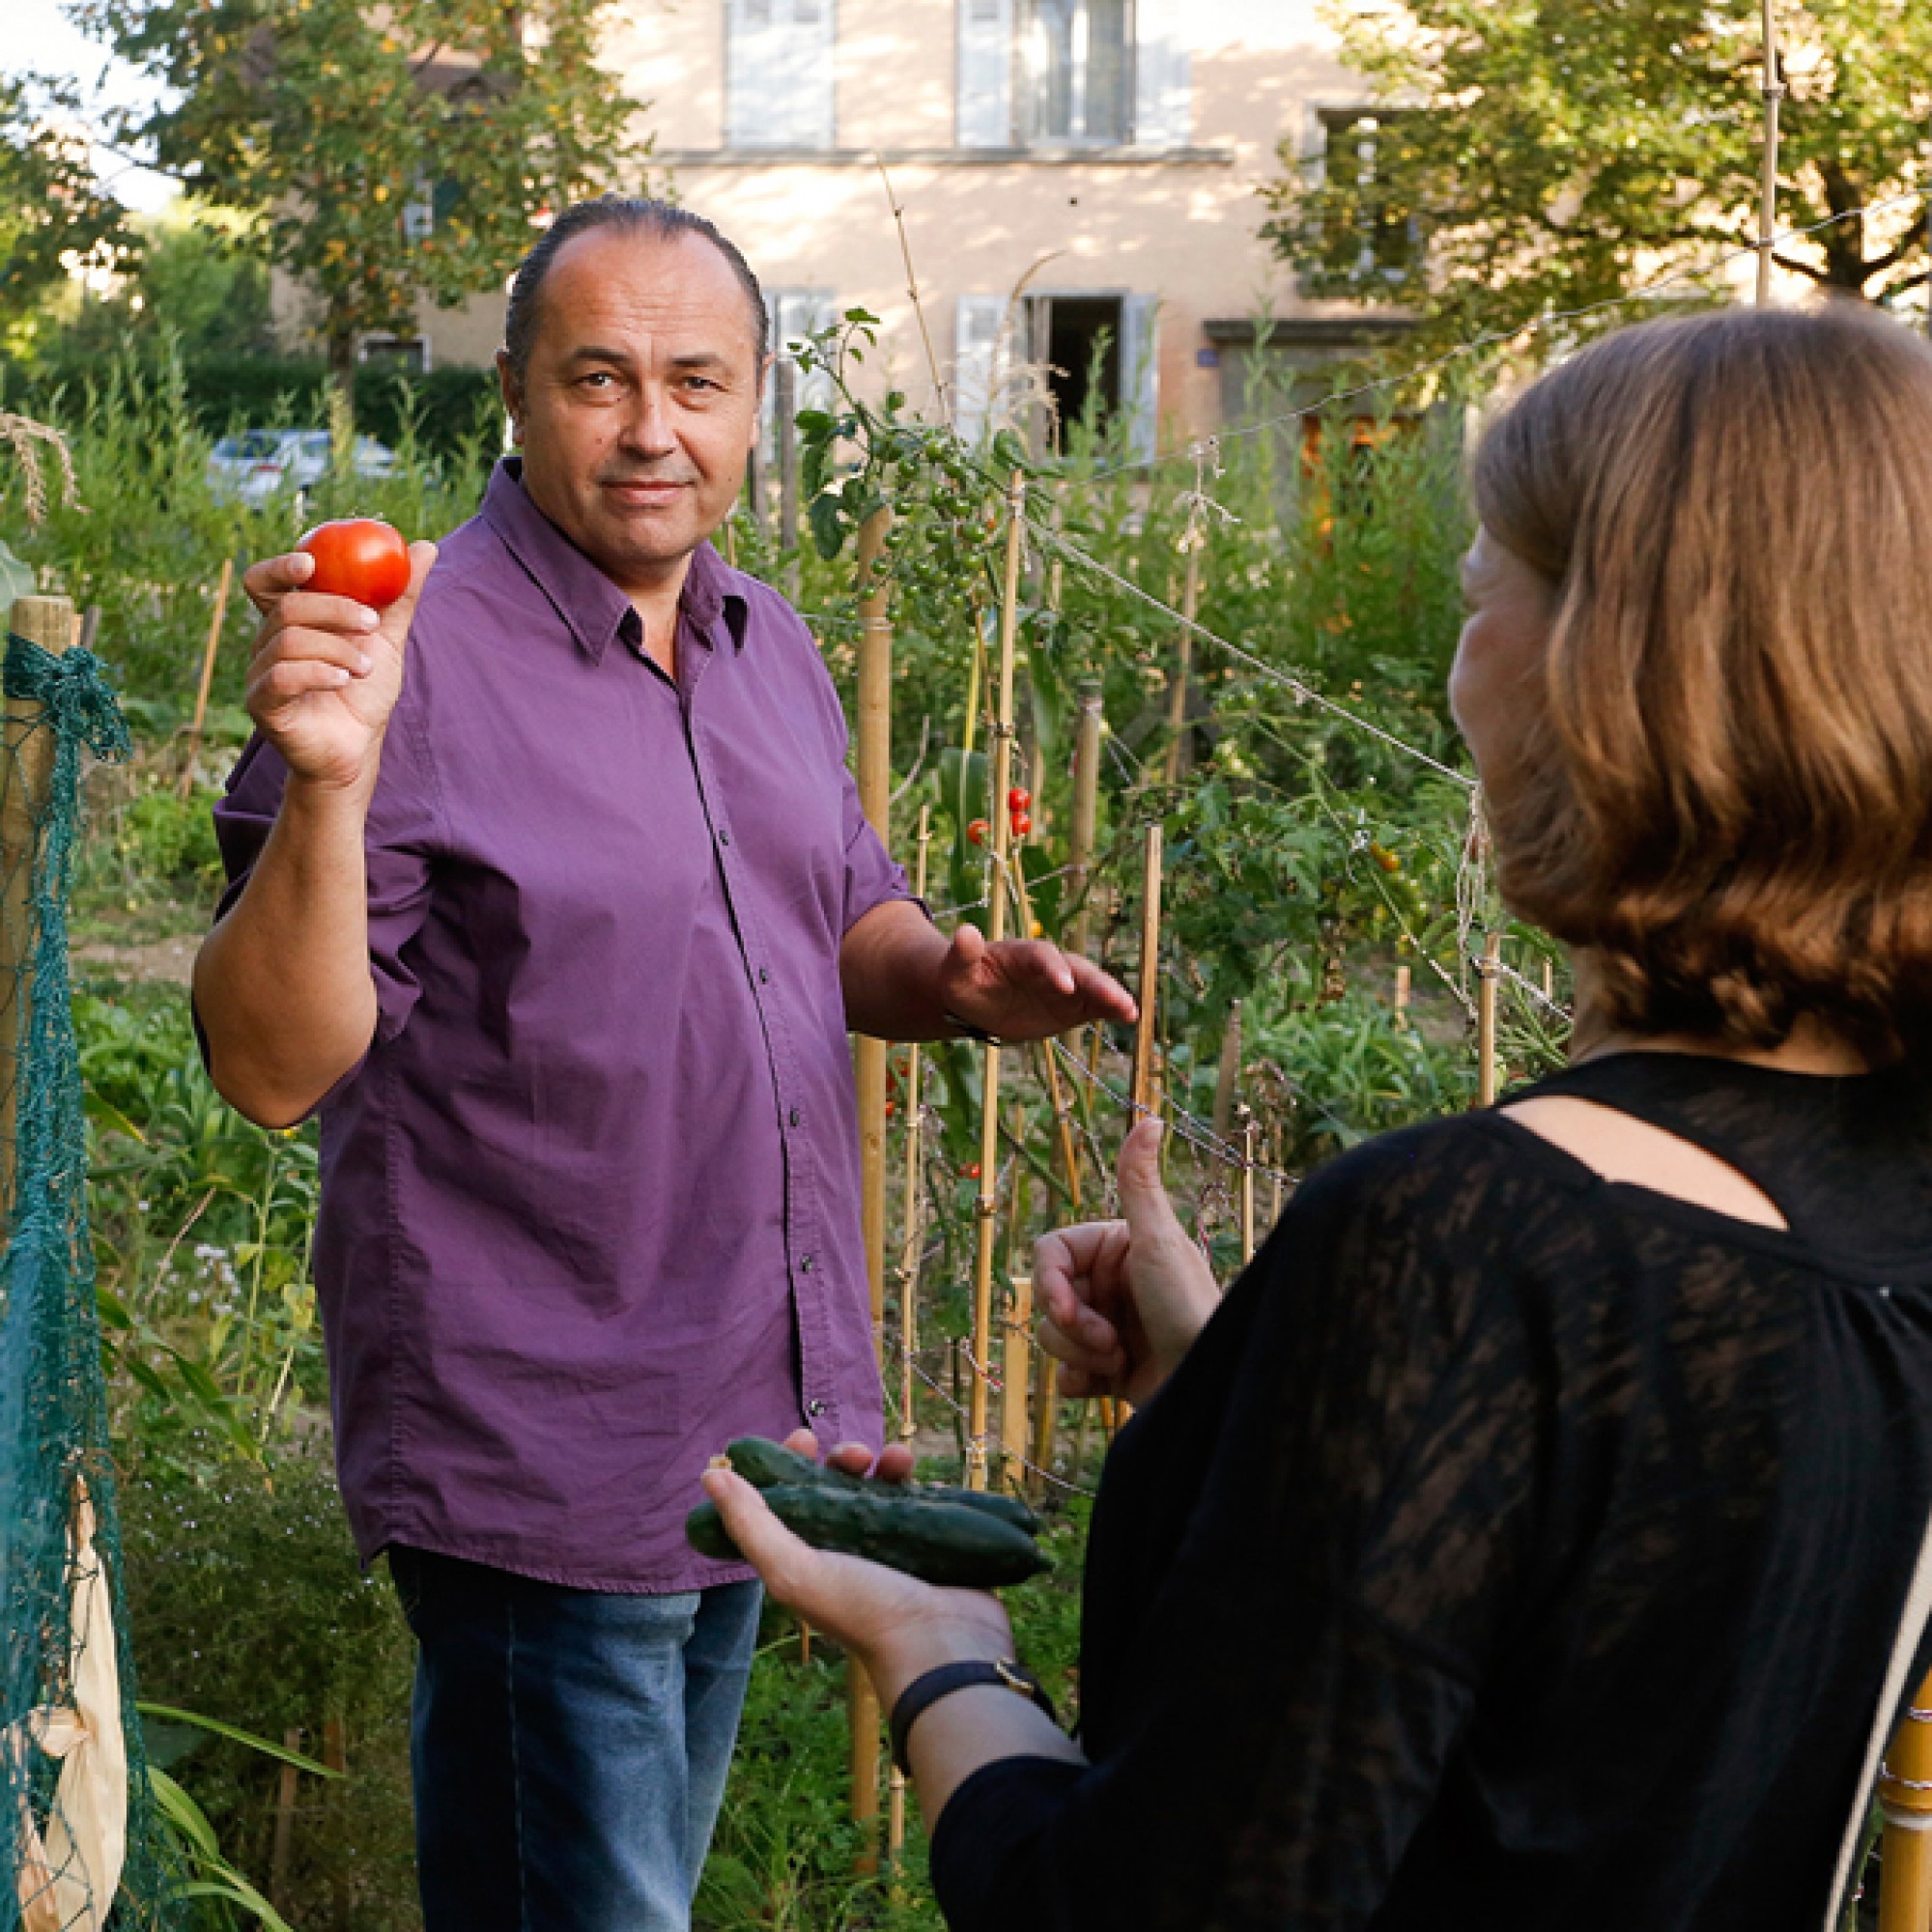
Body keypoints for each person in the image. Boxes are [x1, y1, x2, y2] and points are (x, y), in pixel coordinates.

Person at [702, 299, 1932, 1930]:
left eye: (1484, 585)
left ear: (1609, 683)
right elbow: (1609, 1649)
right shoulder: (1886, 1193)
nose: (1452, 660)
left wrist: (938, 1659)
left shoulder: (1463, 1243)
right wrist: (1253, 1379)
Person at [190, 195, 1134, 1932]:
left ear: (758, 399)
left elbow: (839, 913)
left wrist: (957, 979)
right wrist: (329, 782)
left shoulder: (764, 644)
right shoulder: (408, 658)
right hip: (542, 1429)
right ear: (518, 392)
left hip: (750, 1415)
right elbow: (267, 1063)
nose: (652, 429)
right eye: (599, 377)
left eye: (697, 380)